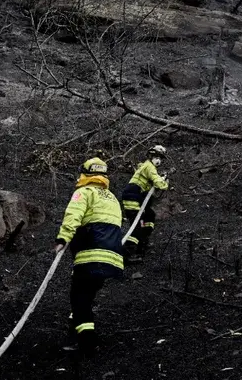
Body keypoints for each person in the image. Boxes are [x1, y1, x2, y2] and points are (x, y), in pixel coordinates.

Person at [54, 157, 125, 355]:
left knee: (79, 297)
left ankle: (87, 342)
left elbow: (73, 216)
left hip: (90, 255)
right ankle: (75, 326)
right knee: (87, 295)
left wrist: (62, 238)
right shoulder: (112, 198)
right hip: (112, 258)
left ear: (84, 174)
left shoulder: (84, 192)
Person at [121, 145, 170, 264]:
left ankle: (143, 240)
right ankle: (126, 254)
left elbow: (152, 187)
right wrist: (164, 183)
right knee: (137, 226)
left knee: (149, 215)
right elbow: (159, 183)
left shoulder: (148, 167)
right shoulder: (149, 166)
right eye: (156, 156)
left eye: (160, 158)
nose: (158, 160)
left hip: (137, 196)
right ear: (150, 156)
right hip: (132, 195)